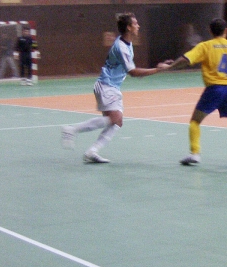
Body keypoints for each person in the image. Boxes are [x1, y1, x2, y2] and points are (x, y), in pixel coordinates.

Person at [61, 12, 167, 163]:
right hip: (107, 86)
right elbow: (133, 72)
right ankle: (72, 129)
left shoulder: (127, 43)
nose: (138, 26)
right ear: (129, 27)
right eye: (135, 23)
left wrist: (157, 69)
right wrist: (158, 70)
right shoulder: (121, 47)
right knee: (115, 119)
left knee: (116, 122)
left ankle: (92, 151)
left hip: (110, 86)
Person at [158, 18, 227, 167]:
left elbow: (186, 59)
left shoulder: (205, 46)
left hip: (214, 89)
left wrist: (169, 67)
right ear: (226, 30)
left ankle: (195, 153)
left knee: (195, 121)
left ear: (210, 31)